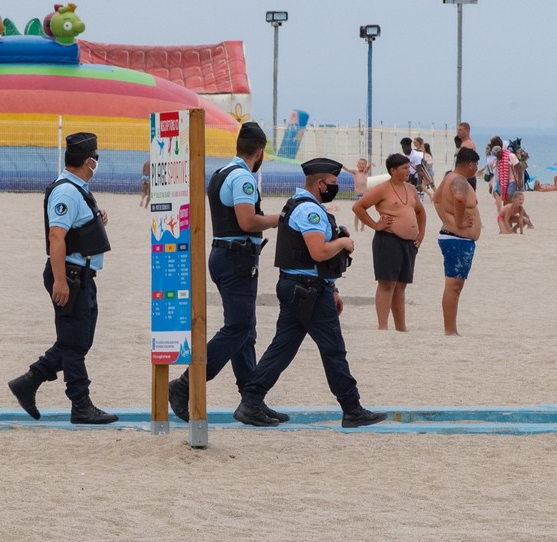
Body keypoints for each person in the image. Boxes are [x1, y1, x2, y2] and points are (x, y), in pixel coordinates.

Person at [236, 158, 387, 428]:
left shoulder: (299, 205)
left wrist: (333, 287)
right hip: (308, 291)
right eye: (332, 183)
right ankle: (352, 408)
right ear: (320, 183)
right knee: (333, 350)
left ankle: (251, 401)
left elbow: (311, 258)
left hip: (301, 287)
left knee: (282, 348)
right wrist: (342, 242)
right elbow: (318, 252)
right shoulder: (310, 212)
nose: (335, 187)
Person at [167, 122, 287, 424]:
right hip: (237, 258)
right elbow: (247, 221)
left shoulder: (220, 174)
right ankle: (186, 384)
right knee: (238, 327)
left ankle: (251, 399)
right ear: (259, 152)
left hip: (224, 255)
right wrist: (279, 219)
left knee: (244, 331)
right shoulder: (243, 178)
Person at [8, 132, 119, 424]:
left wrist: (95, 220)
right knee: (73, 344)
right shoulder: (67, 191)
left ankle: (30, 380)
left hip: (81, 274)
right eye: (96, 158)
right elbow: (56, 236)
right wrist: (60, 281)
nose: (97, 163)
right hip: (69, 275)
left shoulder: (76, 188)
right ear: (87, 161)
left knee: (78, 339)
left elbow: (72, 229)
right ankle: (80, 404)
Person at [352, 153, 426, 331]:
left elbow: (420, 212)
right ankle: (382, 326)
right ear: (393, 171)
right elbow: (358, 207)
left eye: (409, 167)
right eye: (404, 168)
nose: (409, 171)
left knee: (401, 285)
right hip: (388, 239)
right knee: (387, 283)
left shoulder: (410, 189)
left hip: (409, 243)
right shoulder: (382, 189)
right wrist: (376, 225)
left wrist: (421, 234)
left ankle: (401, 327)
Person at [433, 148, 482, 336]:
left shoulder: (448, 178)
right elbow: (460, 199)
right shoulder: (459, 180)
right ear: (470, 164)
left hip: (454, 237)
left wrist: (448, 219)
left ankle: (450, 329)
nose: (476, 169)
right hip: (457, 240)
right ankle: (450, 330)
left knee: (455, 286)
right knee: (454, 286)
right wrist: (459, 222)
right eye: (476, 165)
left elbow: (436, 201)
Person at [342, 158, 374, 231]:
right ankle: (356, 227)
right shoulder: (355, 172)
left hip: (364, 195)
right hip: (357, 195)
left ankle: (362, 226)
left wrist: (370, 165)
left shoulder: (365, 172)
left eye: (363, 164)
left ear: (365, 166)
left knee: (363, 212)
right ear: (357, 164)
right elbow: (347, 169)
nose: (360, 165)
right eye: (359, 163)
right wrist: (342, 166)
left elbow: (367, 168)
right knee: (357, 212)